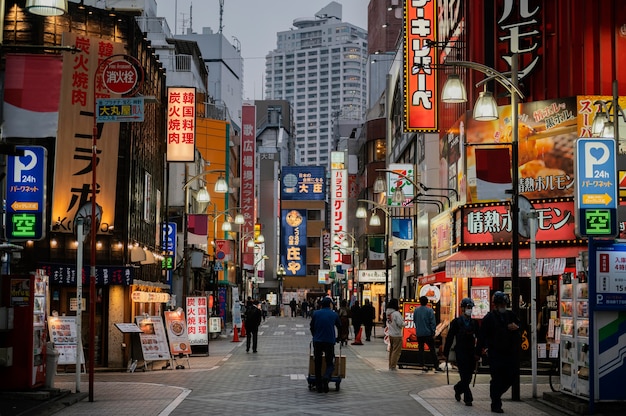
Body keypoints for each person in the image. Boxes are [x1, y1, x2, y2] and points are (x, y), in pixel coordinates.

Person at [476, 291, 521, 414]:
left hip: (509, 353)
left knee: (511, 376)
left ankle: (496, 394)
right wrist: (478, 352)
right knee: (497, 378)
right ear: (495, 305)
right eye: (500, 304)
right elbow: (482, 336)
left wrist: (516, 328)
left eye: (504, 304)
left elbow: (520, 327)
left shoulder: (510, 315)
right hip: (495, 353)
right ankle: (496, 402)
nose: (502, 306)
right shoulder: (489, 318)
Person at [443, 298, 480, 406]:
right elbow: (450, 337)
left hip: (471, 352)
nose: (469, 310)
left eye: (471, 308)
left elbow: (480, 338)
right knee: (464, 375)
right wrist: (446, 353)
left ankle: (458, 388)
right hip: (461, 351)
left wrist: (479, 352)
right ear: (463, 309)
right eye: (468, 307)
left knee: (468, 377)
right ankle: (468, 398)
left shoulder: (474, 323)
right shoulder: (456, 322)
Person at [310, 297, 341, 393]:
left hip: (317, 341)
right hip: (329, 341)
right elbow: (339, 327)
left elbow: (311, 327)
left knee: (318, 363)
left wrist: (315, 336)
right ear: (330, 305)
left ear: (321, 305)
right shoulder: (334, 314)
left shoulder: (315, 313)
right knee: (330, 362)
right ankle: (326, 377)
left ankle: (319, 385)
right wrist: (338, 338)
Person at [413, 296, 442, 372]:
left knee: (421, 349)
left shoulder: (416, 310)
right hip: (428, 333)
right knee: (432, 350)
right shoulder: (429, 311)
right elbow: (432, 322)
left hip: (419, 333)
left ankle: (422, 365)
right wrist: (433, 331)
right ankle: (436, 366)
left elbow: (414, 320)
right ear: (427, 302)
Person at [385, 298, 405, 371]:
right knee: (396, 351)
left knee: (392, 350)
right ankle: (393, 365)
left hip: (391, 333)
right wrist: (405, 323)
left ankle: (390, 364)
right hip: (397, 334)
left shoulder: (388, 313)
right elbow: (400, 324)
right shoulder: (396, 313)